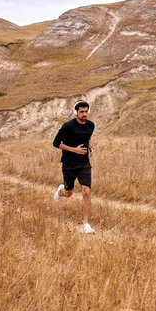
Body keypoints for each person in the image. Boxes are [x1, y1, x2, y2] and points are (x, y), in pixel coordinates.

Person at [52, 100, 96, 234]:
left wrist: (90, 148)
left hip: (84, 164)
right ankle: (61, 191)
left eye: (86, 111)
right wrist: (74, 150)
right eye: (81, 111)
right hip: (69, 164)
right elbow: (56, 143)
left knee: (86, 191)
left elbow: (87, 138)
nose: (84, 114)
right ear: (76, 112)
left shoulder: (90, 125)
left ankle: (86, 224)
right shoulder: (68, 126)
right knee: (69, 192)